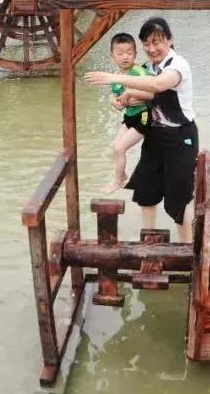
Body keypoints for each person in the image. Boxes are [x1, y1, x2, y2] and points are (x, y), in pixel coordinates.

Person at [84, 17, 197, 242]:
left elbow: (158, 86)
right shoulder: (146, 68)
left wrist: (112, 77)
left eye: (157, 42)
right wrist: (123, 100)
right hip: (155, 134)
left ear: (170, 40)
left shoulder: (178, 65)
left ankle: (187, 251)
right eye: (146, 43)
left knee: (179, 199)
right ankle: (149, 243)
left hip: (180, 137)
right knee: (146, 190)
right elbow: (143, 97)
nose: (151, 48)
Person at [100, 33, 153, 194]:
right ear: (112, 56)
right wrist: (115, 101)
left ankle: (117, 181)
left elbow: (152, 88)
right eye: (120, 53)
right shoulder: (115, 78)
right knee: (114, 147)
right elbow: (119, 105)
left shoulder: (138, 72)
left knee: (120, 147)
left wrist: (130, 93)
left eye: (129, 53)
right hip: (129, 117)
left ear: (135, 55)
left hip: (144, 116)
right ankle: (122, 175)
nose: (125, 57)